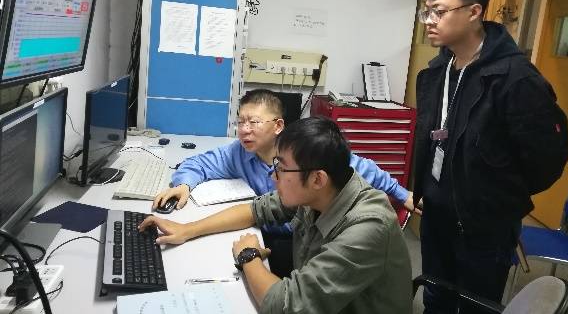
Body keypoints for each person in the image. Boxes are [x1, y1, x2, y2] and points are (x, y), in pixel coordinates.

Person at [413, 0, 568, 313]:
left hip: (485, 224)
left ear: (474, 12)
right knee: (436, 297)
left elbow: (547, 158)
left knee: (477, 305)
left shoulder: (516, 79)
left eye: (439, 11)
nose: (429, 20)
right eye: (427, 11)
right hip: (436, 214)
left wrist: (497, 194)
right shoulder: (437, 71)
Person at [140, 117, 413, 314]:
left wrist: (248, 256)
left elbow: (286, 305)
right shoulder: (321, 191)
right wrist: (187, 229)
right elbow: (254, 209)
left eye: (282, 168)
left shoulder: (367, 227)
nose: (273, 176)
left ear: (317, 179)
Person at [153, 89, 417, 276]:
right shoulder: (240, 153)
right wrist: (185, 199)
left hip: (298, 238)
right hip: (288, 234)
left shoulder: (307, 157)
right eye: (240, 122)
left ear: (278, 125)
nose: (244, 129)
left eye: (254, 122)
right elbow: (256, 207)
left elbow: (363, 169)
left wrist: (402, 194)